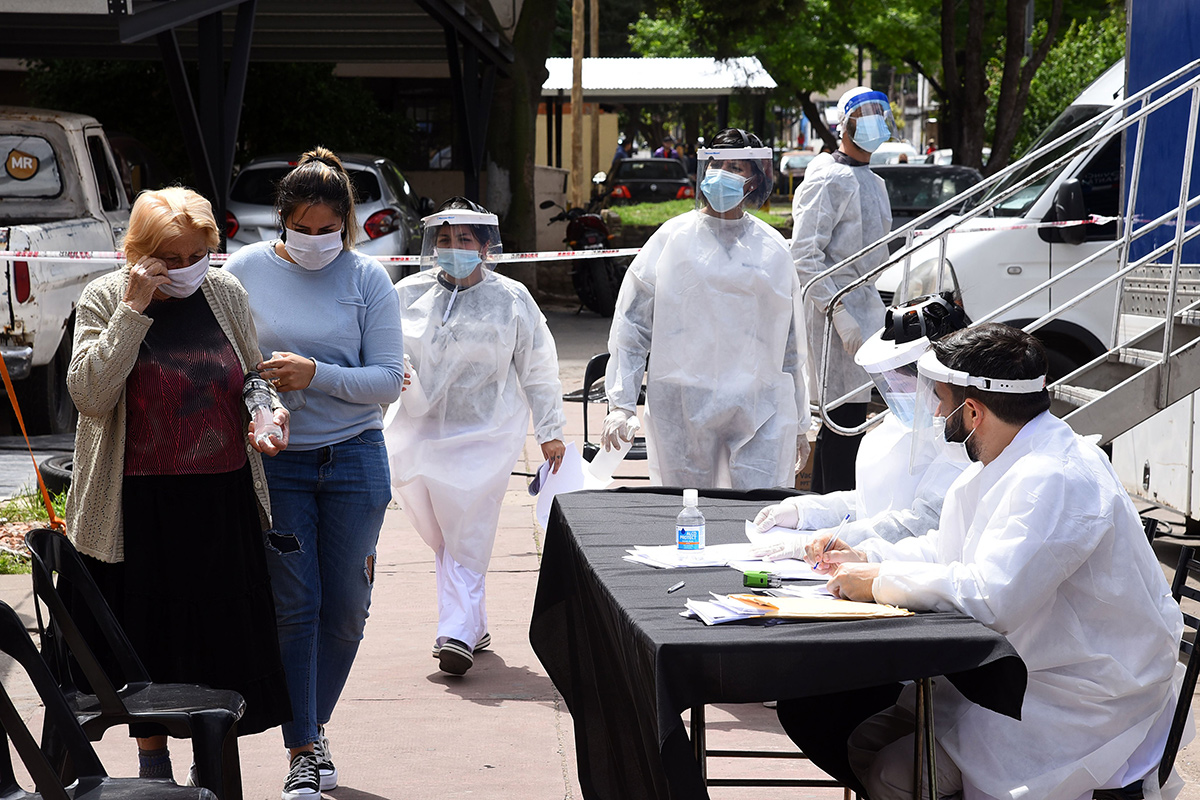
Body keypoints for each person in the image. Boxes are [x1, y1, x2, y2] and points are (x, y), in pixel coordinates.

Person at [799, 323, 1185, 800]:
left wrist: (878, 580)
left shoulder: (1056, 476)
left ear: (974, 411)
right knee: (860, 738)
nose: (938, 411)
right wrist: (866, 556)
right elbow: (951, 549)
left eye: (942, 400)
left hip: (1082, 700)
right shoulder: (1017, 456)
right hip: (1033, 674)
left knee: (893, 773)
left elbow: (991, 595)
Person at [65, 187, 292, 781]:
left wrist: (266, 412)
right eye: (171, 257)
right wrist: (132, 312)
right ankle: (153, 772)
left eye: (198, 254)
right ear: (138, 253)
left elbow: (252, 377)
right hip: (139, 509)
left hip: (221, 502)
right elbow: (89, 396)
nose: (187, 268)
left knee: (221, 650)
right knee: (150, 648)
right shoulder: (104, 299)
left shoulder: (225, 292)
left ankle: (216, 772)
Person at [225, 147, 404, 800]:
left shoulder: (368, 280)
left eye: (330, 230)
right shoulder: (241, 272)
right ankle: (302, 746)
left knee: (348, 609)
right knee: (296, 604)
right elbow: (234, 365)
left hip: (355, 463)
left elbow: (387, 381)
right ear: (281, 221)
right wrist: (261, 402)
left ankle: (314, 722)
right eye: (304, 228)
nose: (317, 241)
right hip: (283, 470)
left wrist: (316, 375)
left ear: (348, 226)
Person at [385, 198, 566, 677]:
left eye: (464, 240)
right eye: (444, 240)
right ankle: (475, 624)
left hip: (485, 434)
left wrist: (550, 430)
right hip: (419, 431)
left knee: (469, 527)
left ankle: (456, 633)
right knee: (443, 531)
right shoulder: (406, 294)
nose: (452, 249)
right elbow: (383, 354)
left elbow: (539, 366)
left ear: (486, 247)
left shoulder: (511, 299)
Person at [603, 128, 809, 490]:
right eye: (718, 164)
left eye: (737, 167)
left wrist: (801, 422)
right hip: (684, 401)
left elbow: (790, 343)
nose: (724, 174)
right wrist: (621, 401)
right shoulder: (672, 239)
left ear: (754, 181)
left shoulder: (772, 248)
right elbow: (633, 324)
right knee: (688, 511)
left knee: (758, 513)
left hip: (759, 404)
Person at [751, 293, 971, 557]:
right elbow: (871, 504)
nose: (895, 391)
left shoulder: (963, 440)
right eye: (890, 382)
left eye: (904, 383)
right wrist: (805, 512)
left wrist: (827, 539)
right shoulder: (895, 429)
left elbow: (919, 526)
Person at [792, 86, 894, 494]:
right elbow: (804, 252)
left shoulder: (874, 181)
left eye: (879, 111)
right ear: (844, 124)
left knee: (852, 422)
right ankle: (831, 515)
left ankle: (828, 512)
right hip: (834, 313)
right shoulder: (828, 178)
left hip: (864, 309)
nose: (873, 119)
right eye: (863, 112)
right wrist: (838, 312)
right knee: (840, 423)